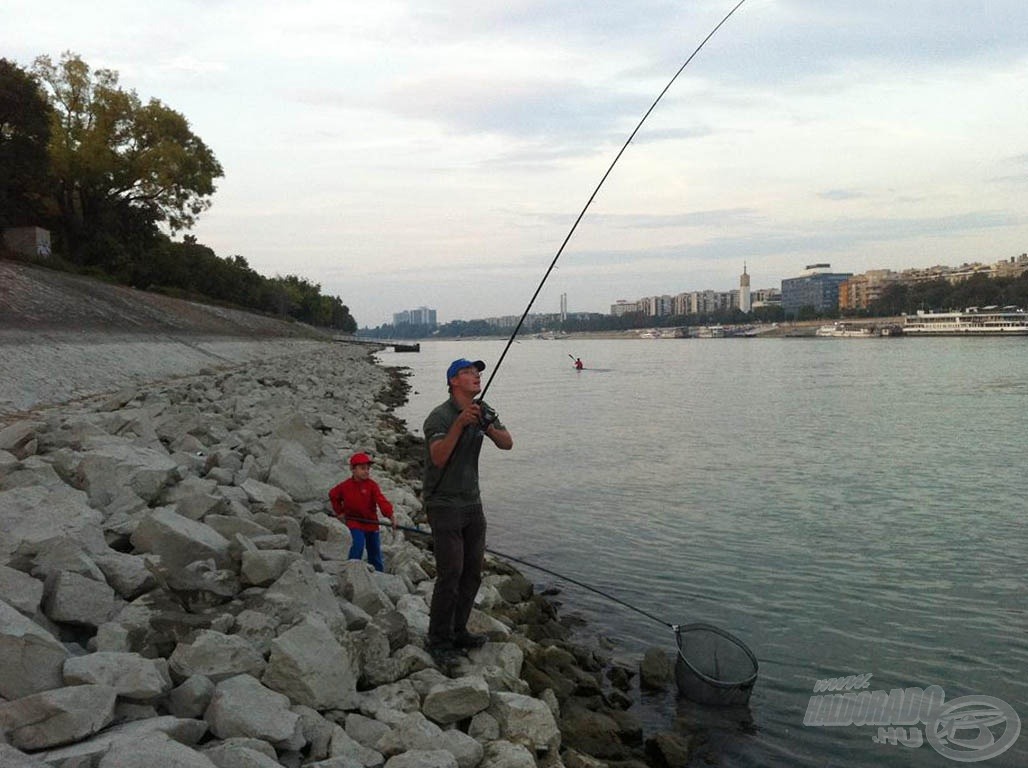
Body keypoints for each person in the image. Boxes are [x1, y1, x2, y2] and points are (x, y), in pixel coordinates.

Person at [422, 358, 513, 658]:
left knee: (472, 572)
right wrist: (460, 424)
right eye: (467, 372)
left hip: (472, 503)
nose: (475, 376)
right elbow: (438, 457)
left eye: (477, 372)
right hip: (443, 502)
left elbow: (507, 443)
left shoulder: (484, 410)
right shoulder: (440, 416)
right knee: (451, 573)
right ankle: (438, 640)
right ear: (452, 382)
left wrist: (486, 426)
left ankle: (459, 630)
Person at [329, 452, 396, 572]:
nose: (366, 471)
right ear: (352, 469)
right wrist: (339, 512)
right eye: (362, 468)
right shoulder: (345, 486)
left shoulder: (372, 486)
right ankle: (351, 571)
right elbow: (333, 495)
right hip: (354, 522)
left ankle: (378, 574)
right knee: (357, 546)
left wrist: (390, 515)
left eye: (368, 468)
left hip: (371, 522)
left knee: (374, 550)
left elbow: (381, 501)